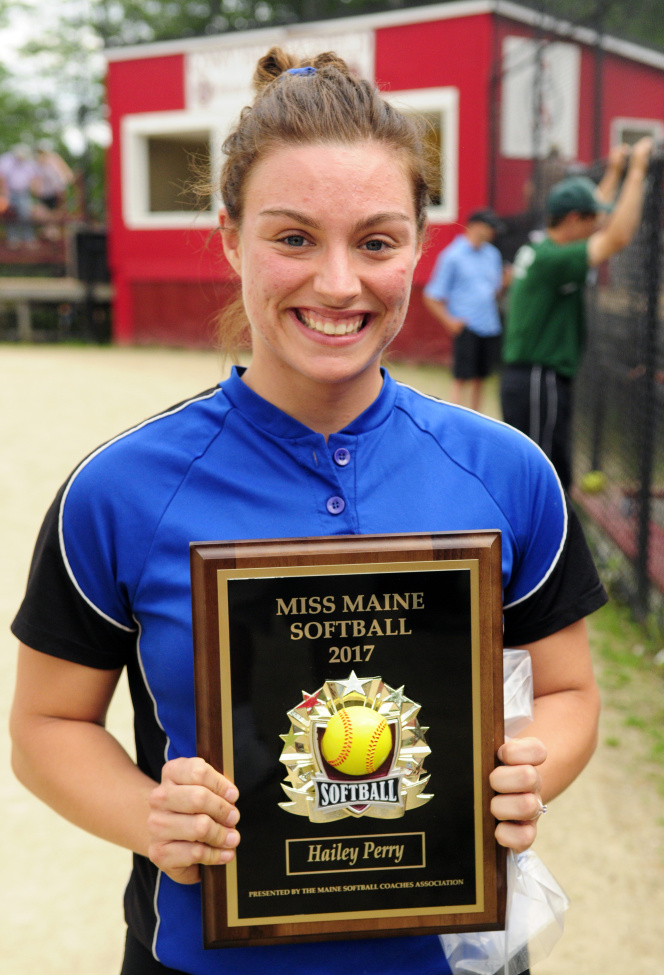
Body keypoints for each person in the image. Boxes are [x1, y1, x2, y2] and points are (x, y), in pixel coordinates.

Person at [10, 49, 604, 975]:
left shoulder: (509, 472)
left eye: (375, 241)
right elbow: (45, 726)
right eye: (292, 238)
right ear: (229, 238)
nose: (337, 284)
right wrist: (150, 817)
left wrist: (534, 769)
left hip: (450, 955)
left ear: (419, 244)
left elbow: (567, 692)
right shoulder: (120, 489)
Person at [500, 139, 652, 491]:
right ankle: (543, 545)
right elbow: (617, 236)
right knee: (542, 478)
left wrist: (614, 172)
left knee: (546, 471)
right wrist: (638, 172)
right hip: (538, 379)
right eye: (592, 218)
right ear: (573, 219)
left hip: (533, 379)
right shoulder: (555, 260)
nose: (599, 222)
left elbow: (594, 214)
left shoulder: (546, 246)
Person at [423, 209, 509, 412]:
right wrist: (449, 321)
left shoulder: (492, 254)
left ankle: (476, 417)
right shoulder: (453, 256)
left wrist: (504, 284)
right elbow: (432, 295)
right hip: (467, 325)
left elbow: (493, 293)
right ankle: (455, 417)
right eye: (489, 228)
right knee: (461, 377)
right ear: (476, 226)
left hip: (489, 325)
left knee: (481, 378)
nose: (492, 233)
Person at [0, 143, 39, 247]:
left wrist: (35, 191)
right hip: (9, 192)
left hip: (24, 192)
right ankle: (13, 239)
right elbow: (2, 177)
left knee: (25, 215)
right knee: (10, 215)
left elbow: (33, 178)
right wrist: (4, 193)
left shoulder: (29, 163)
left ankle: (29, 238)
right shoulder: (6, 160)